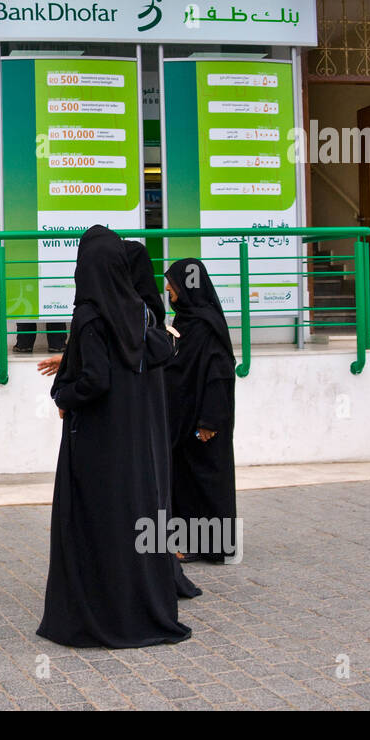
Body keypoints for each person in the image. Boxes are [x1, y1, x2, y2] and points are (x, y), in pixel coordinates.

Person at [37, 226, 191, 649]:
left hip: (95, 440)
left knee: (91, 523)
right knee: (128, 520)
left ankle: (93, 613)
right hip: (134, 443)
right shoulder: (137, 313)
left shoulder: (89, 314)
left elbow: (95, 380)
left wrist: (63, 396)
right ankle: (136, 609)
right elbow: (126, 360)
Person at [164, 258, 237, 563]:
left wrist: (209, 420)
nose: (168, 289)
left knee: (206, 480)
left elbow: (219, 374)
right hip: (184, 416)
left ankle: (211, 546)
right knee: (186, 479)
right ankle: (187, 540)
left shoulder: (207, 326)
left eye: (173, 285)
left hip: (204, 422)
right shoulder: (185, 322)